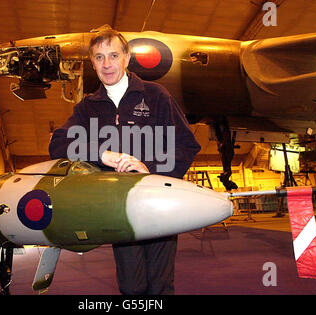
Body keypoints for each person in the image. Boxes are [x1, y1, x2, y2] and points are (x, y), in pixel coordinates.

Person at [49, 28, 200, 295]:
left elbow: (186, 145)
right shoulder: (88, 108)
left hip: (159, 205)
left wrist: (149, 168)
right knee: (131, 287)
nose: (107, 64)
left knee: (161, 286)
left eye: (113, 55)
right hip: (122, 210)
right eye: (99, 57)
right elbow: (58, 144)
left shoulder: (156, 96)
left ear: (127, 58)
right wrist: (101, 154)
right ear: (93, 63)